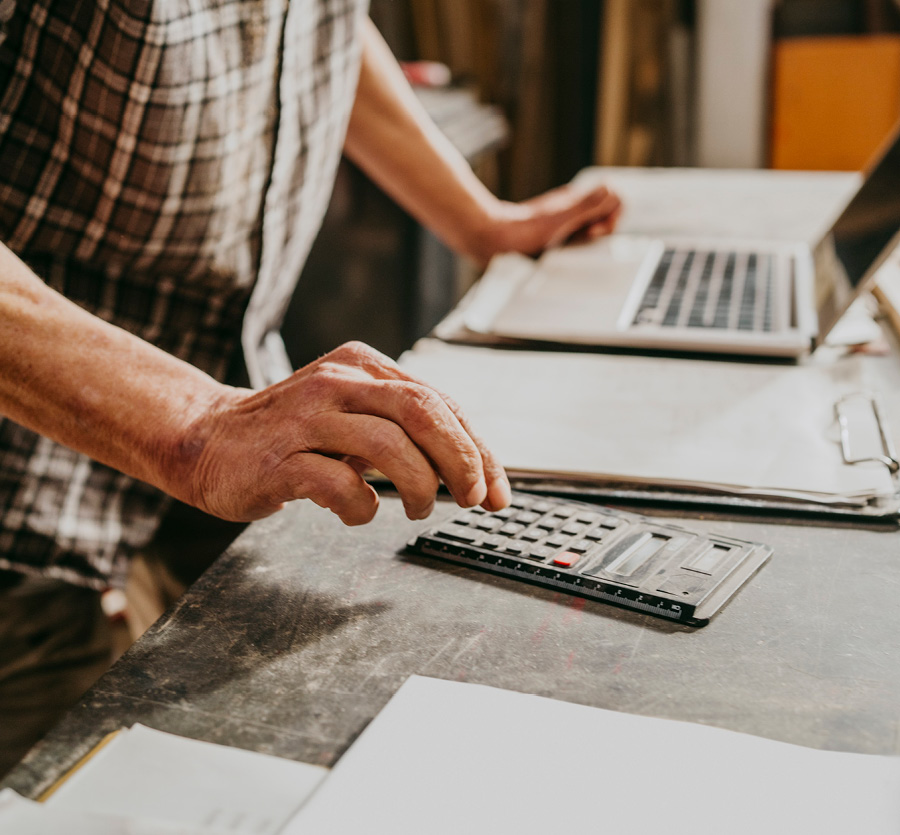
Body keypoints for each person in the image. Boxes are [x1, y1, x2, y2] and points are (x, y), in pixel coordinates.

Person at [0, 2, 621, 776]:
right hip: (24, 466)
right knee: (57, 785)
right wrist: (196, 425)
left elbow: (316, 27)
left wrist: (480, 222)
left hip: (221, 378)